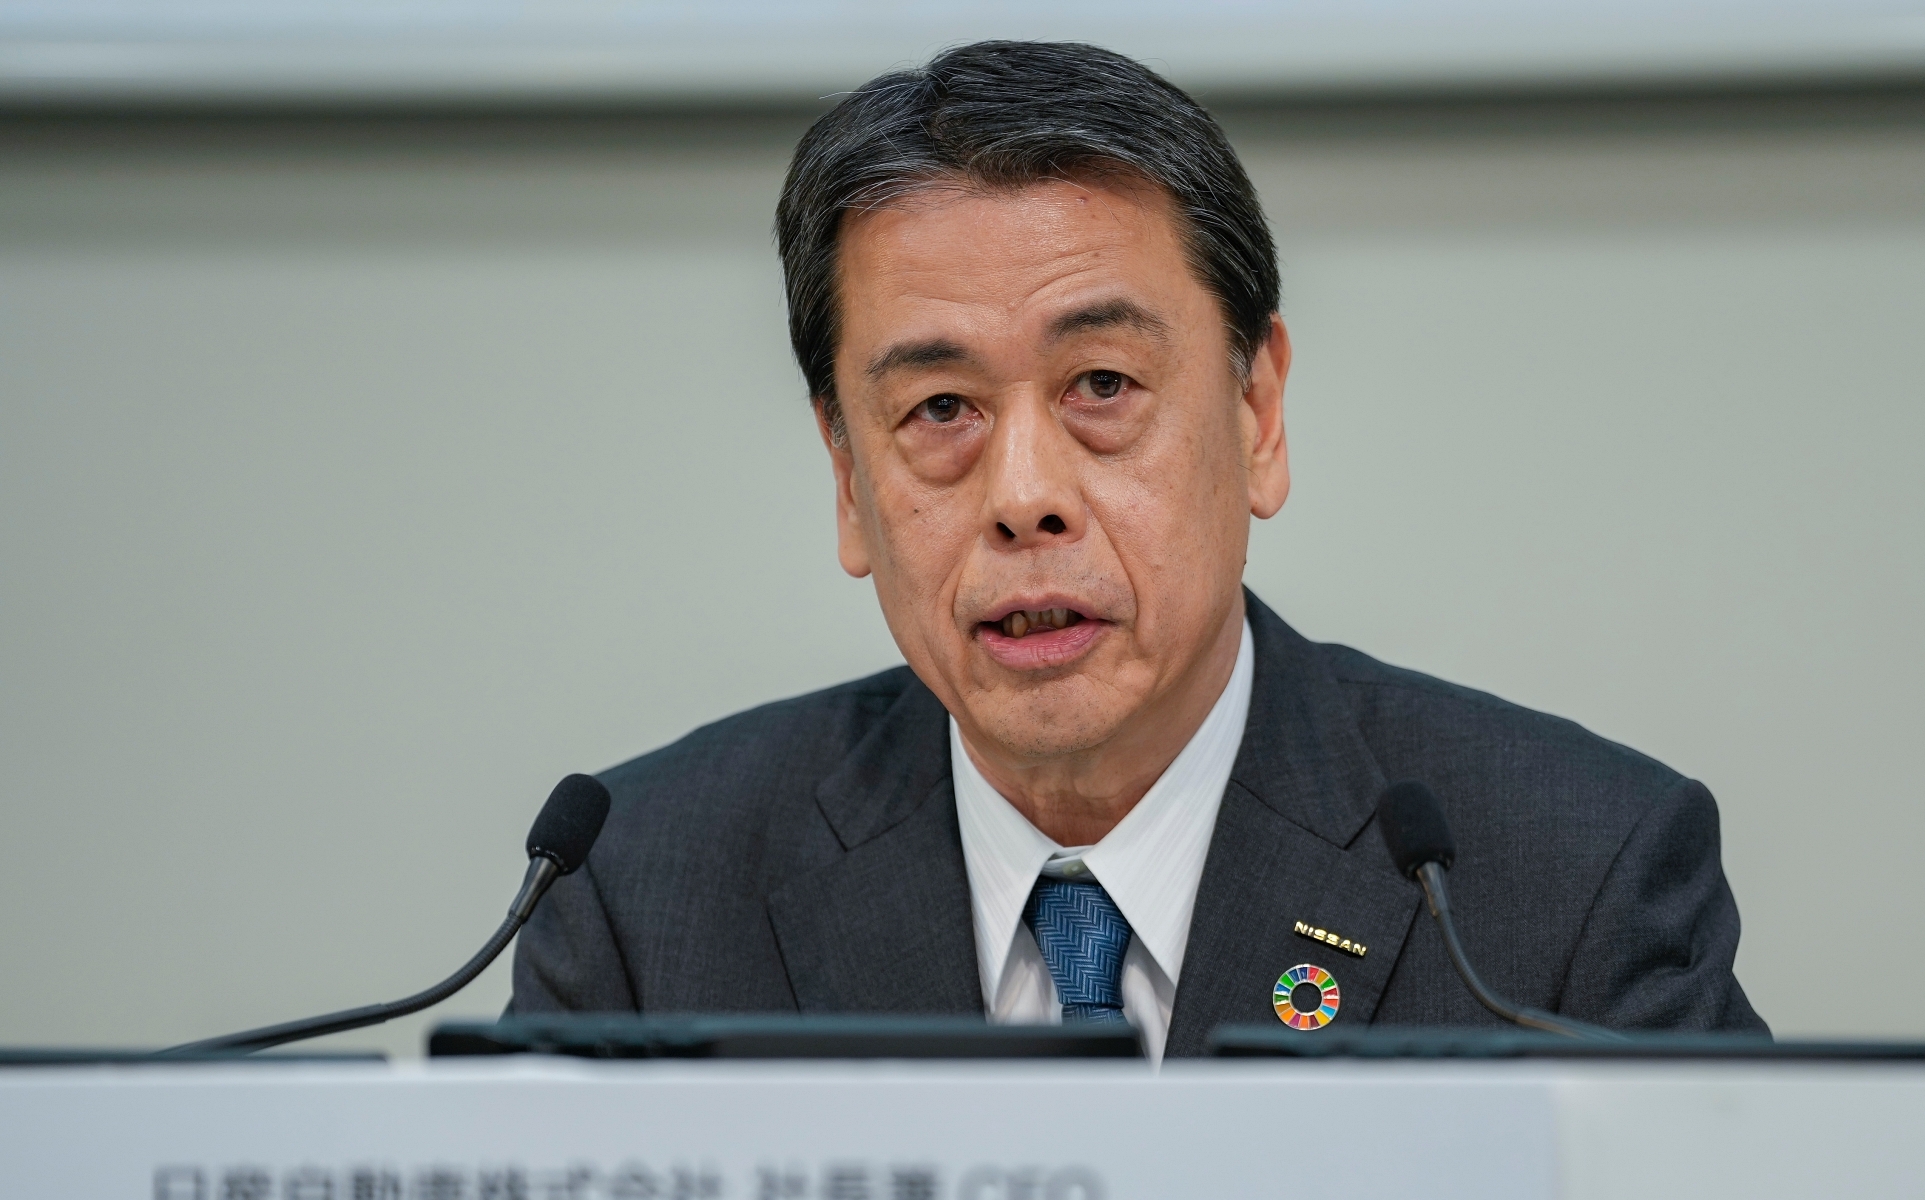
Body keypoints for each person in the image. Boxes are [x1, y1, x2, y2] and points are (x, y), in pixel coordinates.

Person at [511, 40, 1765, 1059]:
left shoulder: (1568, 880)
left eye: (1100, 383)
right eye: (939, 410)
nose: (1023, 497)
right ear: (848, 474)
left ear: (1256, 413)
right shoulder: (639, 891)